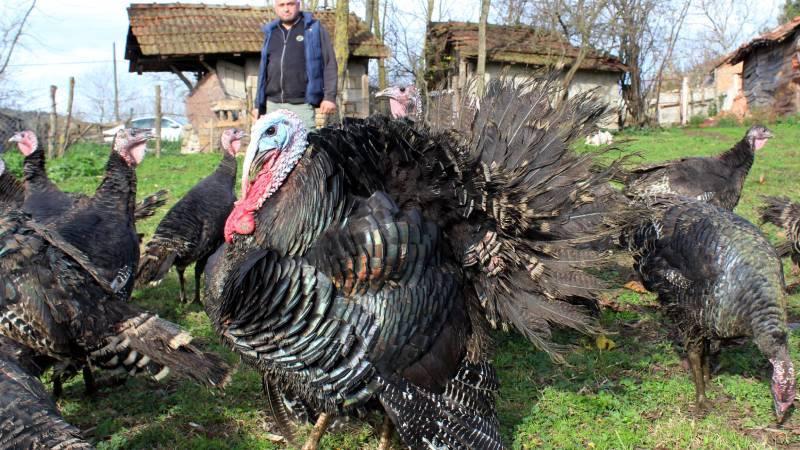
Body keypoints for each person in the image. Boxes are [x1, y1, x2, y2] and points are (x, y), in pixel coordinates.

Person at [253, 0, 338, 129]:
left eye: (290, 4)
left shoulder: (313, 29)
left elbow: (329, 63)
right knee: (273, 148)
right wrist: (258, 105)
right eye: (282, 5)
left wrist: (329, 97)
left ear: (298, 5)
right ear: (275, 8)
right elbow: (263, 71)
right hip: (272, 105)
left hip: (302, 105)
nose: (286, 9)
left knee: (305, 147)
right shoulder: (271, 32)